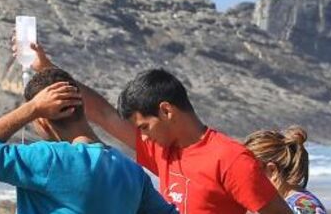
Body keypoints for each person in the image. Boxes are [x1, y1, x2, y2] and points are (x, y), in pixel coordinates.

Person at [25, 43, 293, 214]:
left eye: (144, 126)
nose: (141, 137)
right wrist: (48, 69)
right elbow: (105, 114)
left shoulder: (230, 158)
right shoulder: (163, 152)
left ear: (167, 110)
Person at [0, 67, 177, 214]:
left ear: (43, 121)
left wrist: (32, 108)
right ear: (81, 109)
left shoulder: (48, 160)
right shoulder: (131, 171)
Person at [244, 127, 327, 214]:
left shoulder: (301, 208)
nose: (244, 182)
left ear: (272, 171)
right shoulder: (288, 203)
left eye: (248, 174)